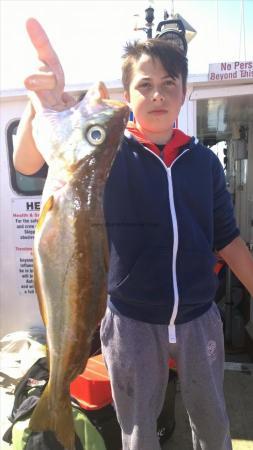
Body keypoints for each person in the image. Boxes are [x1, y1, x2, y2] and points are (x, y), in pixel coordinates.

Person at [14, 18, 253, 450]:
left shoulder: (204, 163)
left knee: (213, 424)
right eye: (144, 85)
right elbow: (28, 163)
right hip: (130, 322)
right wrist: (41, 106)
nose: (157, 94)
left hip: (200, 318)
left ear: (184, 92)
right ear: (128, 96)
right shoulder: (109, 154)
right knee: (139, 431)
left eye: (168, 83)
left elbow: (229, 239)